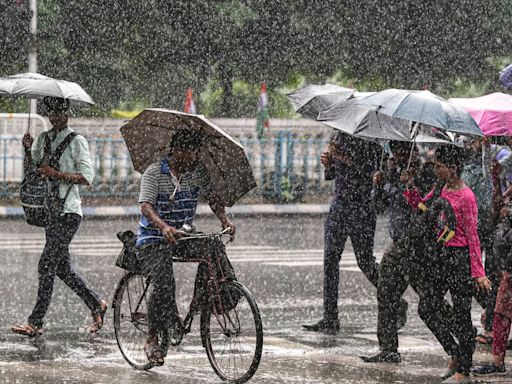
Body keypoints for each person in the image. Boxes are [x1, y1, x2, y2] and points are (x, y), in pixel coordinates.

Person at [135, 129, 236, 366]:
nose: (195, 157)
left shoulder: (197, 172)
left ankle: (212, 297)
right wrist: (163, 227)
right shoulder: (154, 172)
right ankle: (152, 337)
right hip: (153, 239)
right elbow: (146, 207)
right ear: (177, 151)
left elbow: (213, 198)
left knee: (213, 247)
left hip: (183, 236)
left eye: (196, 152)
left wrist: (224, 220)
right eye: (191, 152)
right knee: (163, 282)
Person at [12, 97, 106, 337]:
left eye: (59, 112)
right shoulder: (43, 139)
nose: (55, 117)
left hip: (69, 212)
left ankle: (35, 322)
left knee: (46, 264)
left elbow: (87, 177)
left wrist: (56, 174)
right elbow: (33, 168)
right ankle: (96, 304)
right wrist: (27, 149)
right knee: (62, 269)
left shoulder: (77, 142)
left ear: (67, 113)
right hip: (50, 212)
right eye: (51, 112)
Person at [361, 141, 454, 363]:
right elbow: (380, 207)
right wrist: (378, 186)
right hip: (397, 244)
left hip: (419, 246)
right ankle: (388, 348)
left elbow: (428, 207)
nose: (399, 156)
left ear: (412, 151)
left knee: (430, 299)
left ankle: (462, 329)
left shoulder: (427, 173)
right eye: (396, 152)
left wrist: (410, 185)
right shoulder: (391, 172)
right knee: (386, 294)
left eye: (404, 151)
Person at [406, 145, 491, 384]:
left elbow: (474, 237)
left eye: (439, 166)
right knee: (427, 307)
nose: (436, 169)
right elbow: (423, 207)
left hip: (460, 259)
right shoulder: (441, 189)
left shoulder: (467, 197)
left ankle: (463, 370)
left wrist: (478, 273)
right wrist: (410, 187)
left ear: (453, 168)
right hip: (441, 256)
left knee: (462, 314)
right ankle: (454, 351)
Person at [302, 131, 380, 334]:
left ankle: (394, 298)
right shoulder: (339, 136)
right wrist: (328, 164)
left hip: (361, 207)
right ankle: (330, 317)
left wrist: (342, 157)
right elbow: (333, 175)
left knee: (364, 261)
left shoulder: (371, 142)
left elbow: (369, 174)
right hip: (339, 205)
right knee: (330, 260)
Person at [472, 209, 512, 377]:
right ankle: (497, 362)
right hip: (508, 267)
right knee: (500, 315)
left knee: (501, 314)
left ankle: (498, 362)